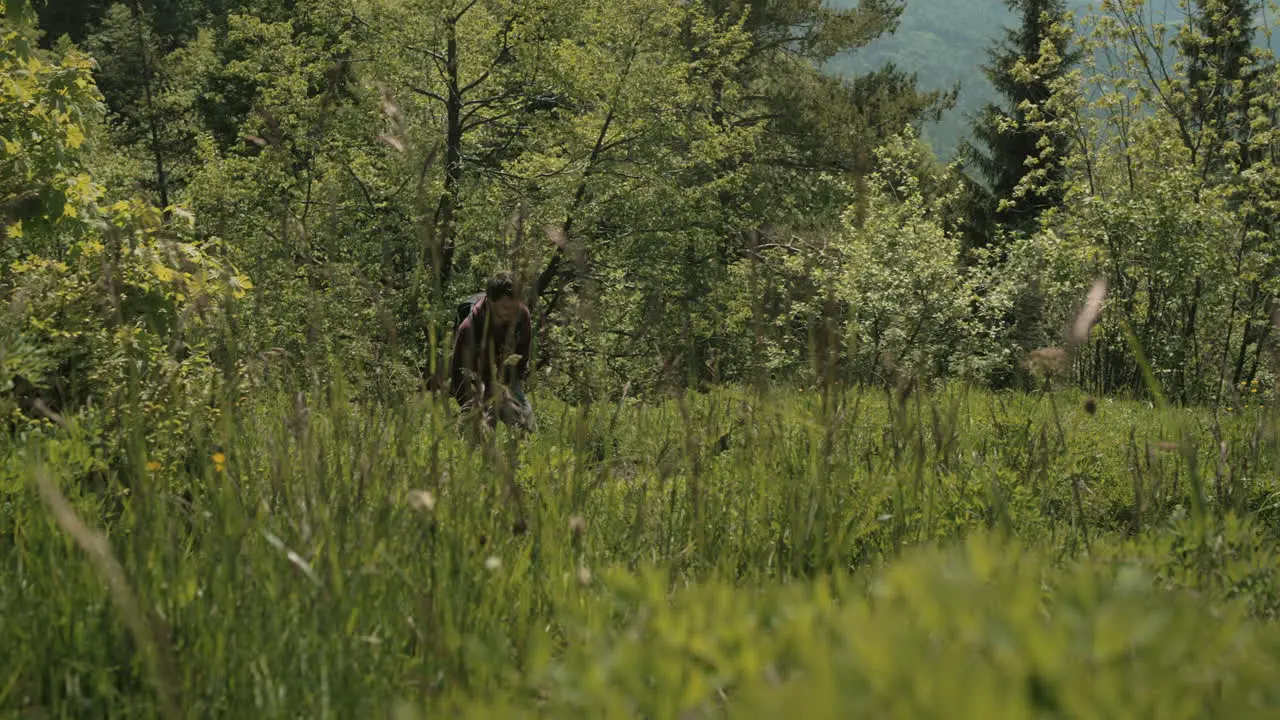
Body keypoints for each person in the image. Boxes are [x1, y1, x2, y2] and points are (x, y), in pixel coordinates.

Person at [449, 271, 537, 432]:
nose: (511, 312)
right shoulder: (469, 329)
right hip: (477, 389)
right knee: (475, 436)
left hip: (507, 384)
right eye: (505, 307)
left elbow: (522, 357)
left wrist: (507, 389)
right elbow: (458, 376)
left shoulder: (522, 316)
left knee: (529, 431)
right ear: (490, 301)